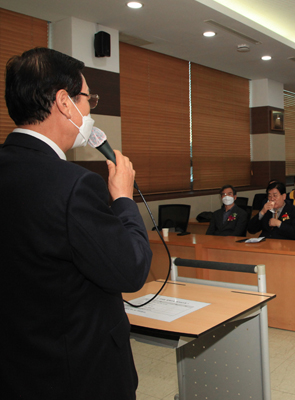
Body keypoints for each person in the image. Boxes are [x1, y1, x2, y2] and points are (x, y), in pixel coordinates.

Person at [0, 48, 152, 399]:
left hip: (17, 365)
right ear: (64, 103)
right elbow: (131, 270)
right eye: (88, 99)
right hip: (78, 373)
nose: (89, 110)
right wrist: (124, 199)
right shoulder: (74, 185)